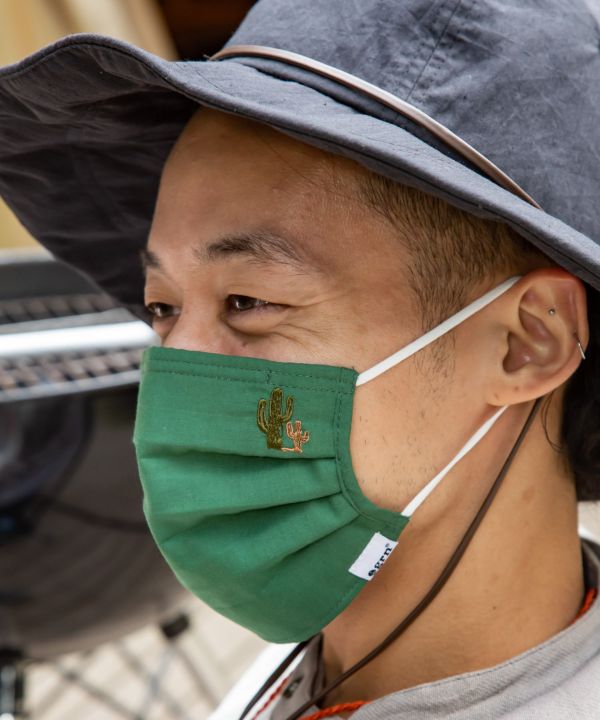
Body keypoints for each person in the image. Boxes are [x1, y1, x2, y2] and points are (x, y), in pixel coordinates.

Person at [1, 1, 599, 718]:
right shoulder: (319, 674)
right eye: (162, 307)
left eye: (250, 301)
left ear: (525, 343)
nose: (176, 373)